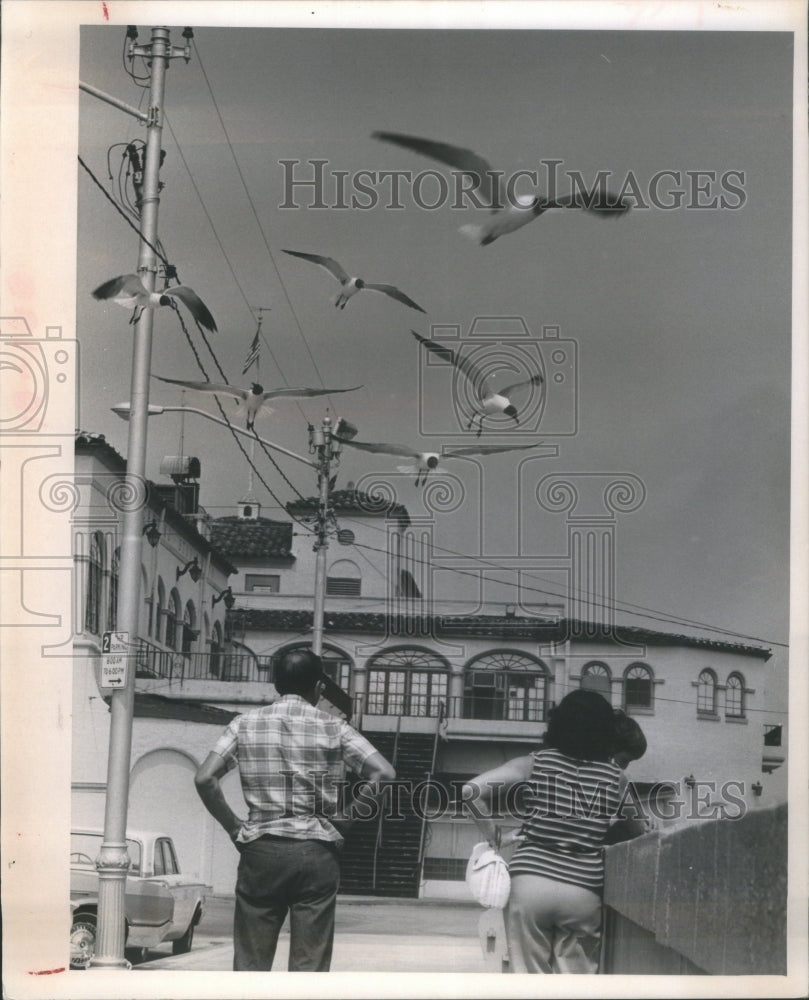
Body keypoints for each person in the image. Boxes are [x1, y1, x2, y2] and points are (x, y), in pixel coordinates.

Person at [194, 647, 396, 971]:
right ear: (319, 687)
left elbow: (205, 778)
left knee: (250, 966)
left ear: (276, 685)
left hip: (261, 850)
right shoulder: (336, 728)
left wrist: (235, 827)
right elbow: (384, 774)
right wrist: (345, 819)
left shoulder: (243, 724)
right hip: (316, 852)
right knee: (309, 968)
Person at [462, 689, 646, 974]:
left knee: (526, 979)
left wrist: (494, 835)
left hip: (529, 885)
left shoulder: (535, 763)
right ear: (605, 731)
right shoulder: (615, 777)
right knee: (576, 983)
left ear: (558, 724)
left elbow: (471, 791)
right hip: (583, 890)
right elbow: (640, 831)